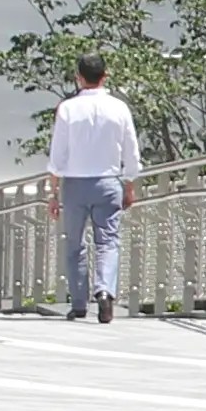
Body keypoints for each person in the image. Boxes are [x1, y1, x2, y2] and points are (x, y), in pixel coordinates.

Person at [46, 57, 143, 324]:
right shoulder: (119, 108)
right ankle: (105, 291)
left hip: (75, 183)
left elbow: (58, 154)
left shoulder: (67, 109)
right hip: (108, 181)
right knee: (108, 241)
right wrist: (130, 183)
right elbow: (131, 150)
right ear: (105, 75)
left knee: (75, 243)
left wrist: (53, 192)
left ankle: (79, 302)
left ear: (79, 76)